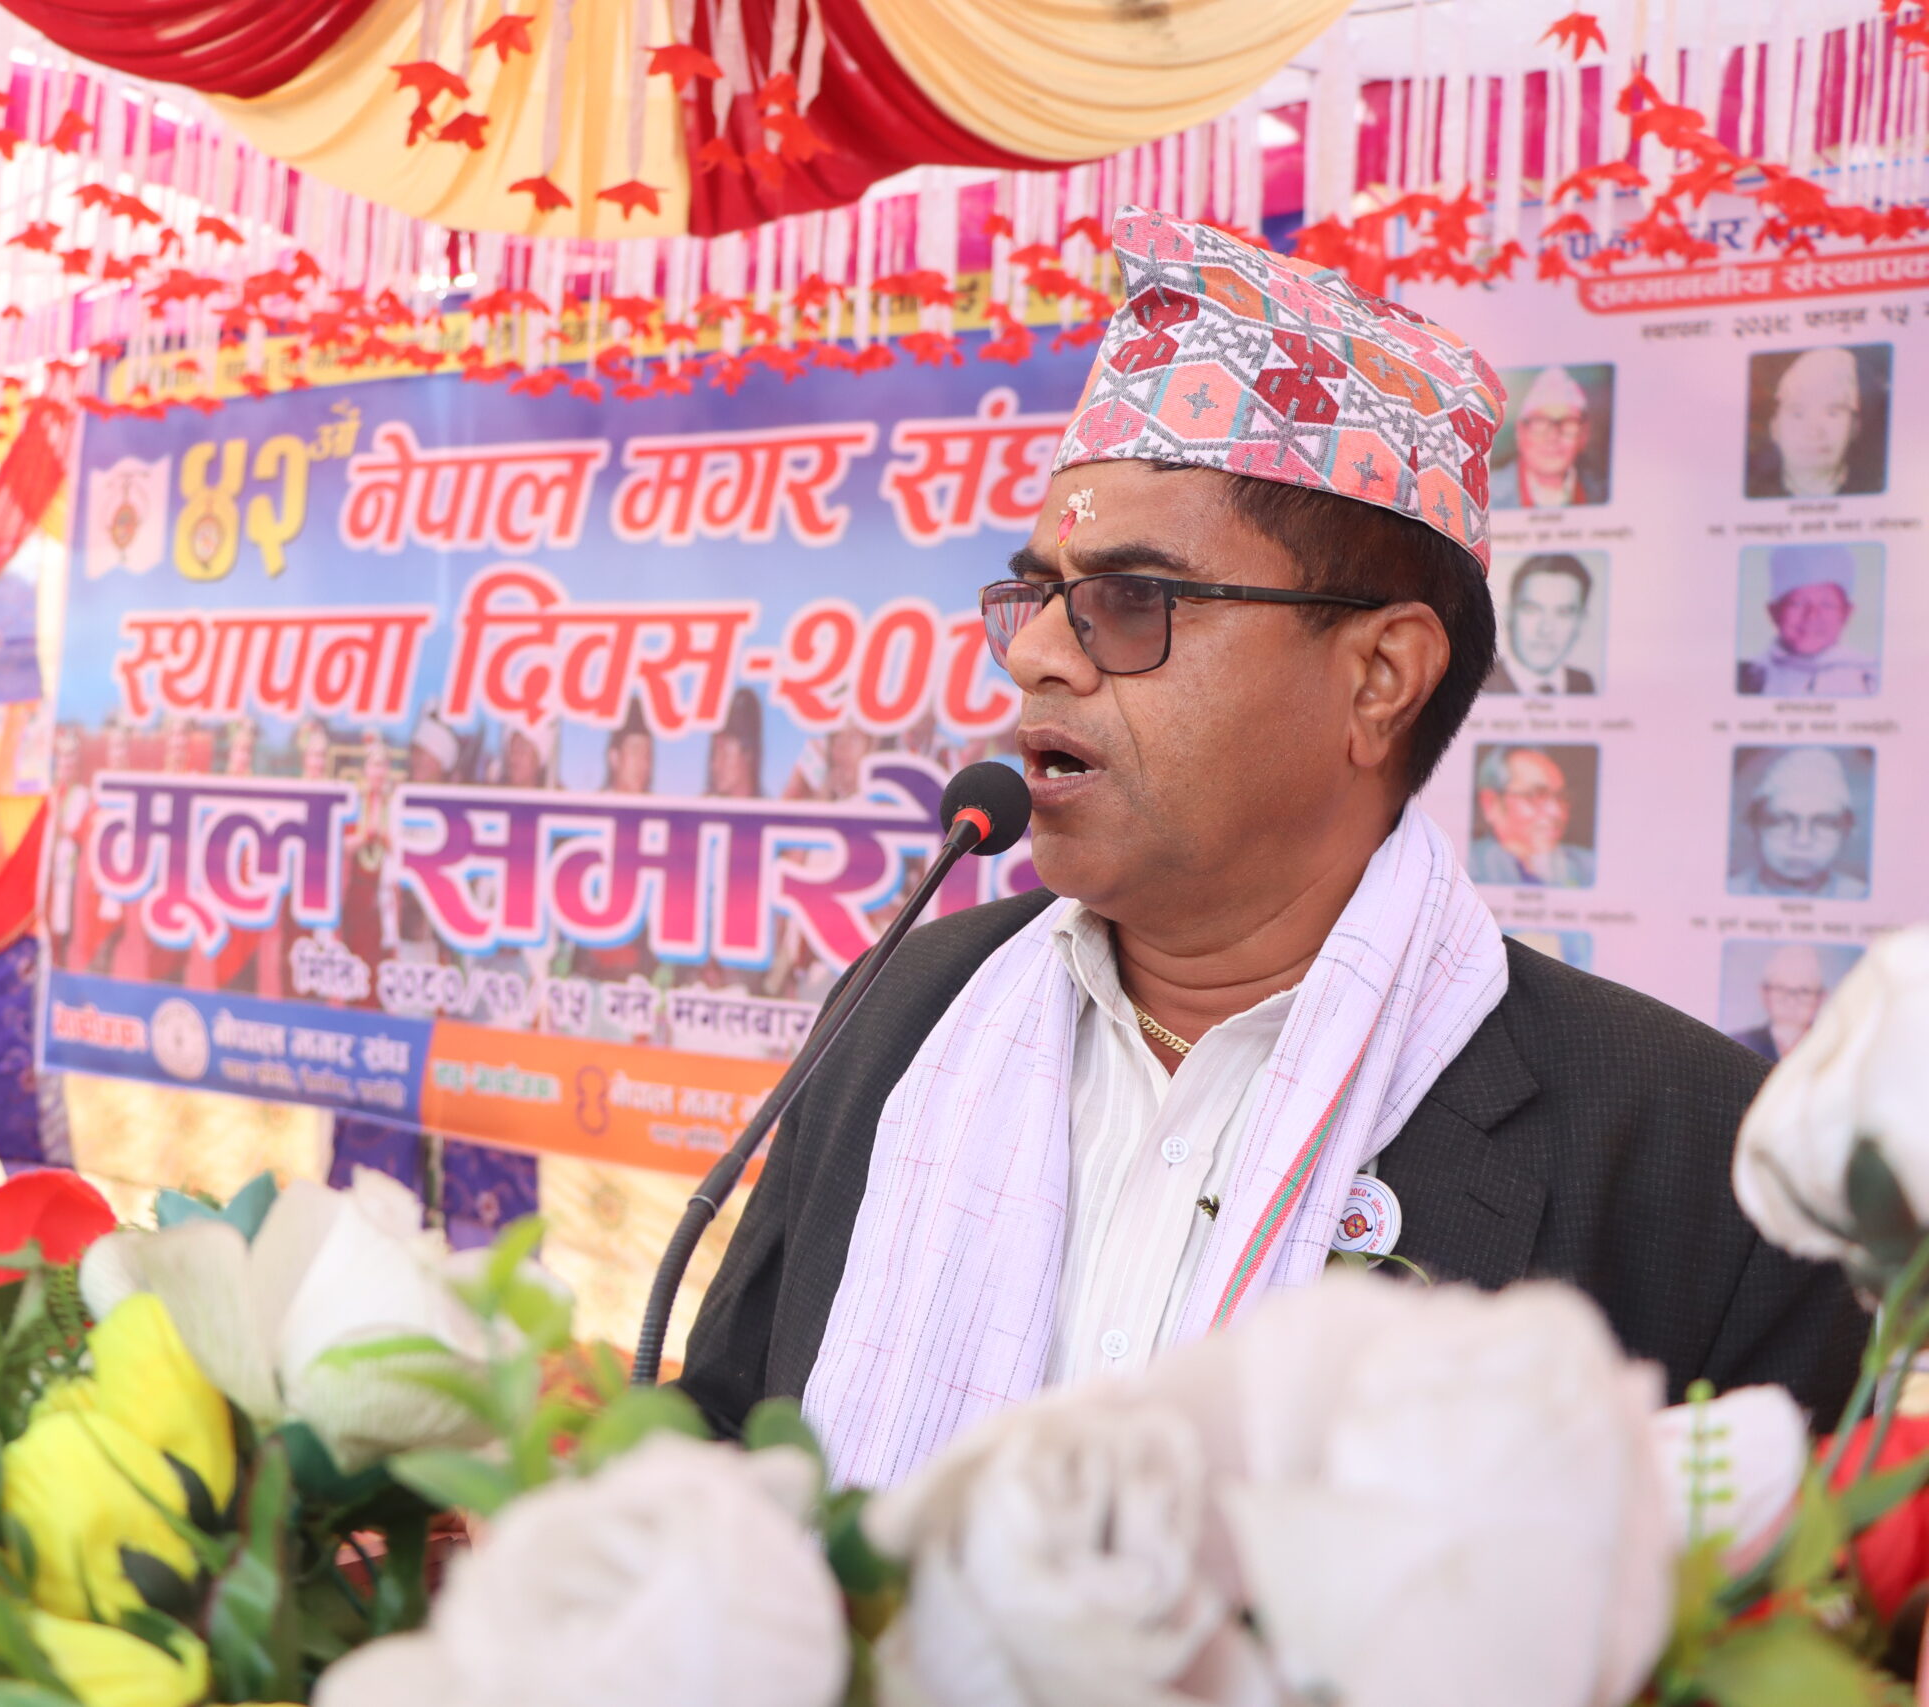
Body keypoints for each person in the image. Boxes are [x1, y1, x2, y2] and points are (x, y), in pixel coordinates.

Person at [679, 208, 1863, 1489]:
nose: (1038, 655)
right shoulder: (910, 1004)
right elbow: (732, 1434)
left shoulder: (1693, 1159)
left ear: (1379, 678)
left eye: (1129, 601)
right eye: (1038, 595)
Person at [1739, 545, 1879, 697]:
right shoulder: (1748, 677)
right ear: (1773, 611)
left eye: (1827, 605)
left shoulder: (1871, 677)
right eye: (1798, 604)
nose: (1812, 615)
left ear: (1847, 613)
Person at [1730, 746, 1869, 898]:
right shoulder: (1728, 892)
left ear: (1848, 833)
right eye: (1781, 822)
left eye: (1824, 824)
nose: (1802, 841)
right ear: (1753, 828)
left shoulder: (1861, 896)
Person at [1748, 346, 1885, 498]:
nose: (1814, 432)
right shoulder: (1751, 490)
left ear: (1855, 427)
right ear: (1774, 428)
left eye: (1832, 413)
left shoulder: (1876, 488)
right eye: (1798, 414)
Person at [1467, 745, 1595, 887]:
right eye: (1537, 795)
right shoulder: (1465, 867)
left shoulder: (1588, 867)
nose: (1556, 811)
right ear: (1491, 803)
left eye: (1561, 797)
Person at [1482, 553, 1597, 694]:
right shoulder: (1481, 684)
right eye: (1532, 610)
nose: (1546, 629)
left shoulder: (1585, 684)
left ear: (1582, 622)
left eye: (1563, 613)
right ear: (1508, 614)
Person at [1492, 365, 1598, 508]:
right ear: (1520, 432)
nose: (1553, 436)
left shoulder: (1602, 492)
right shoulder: (1487, 494)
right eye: (1540, 422)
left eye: (1568, 422)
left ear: (1584, 434)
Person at [1730, 942, 1831, 1063]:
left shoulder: (1837, 1049)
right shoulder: (1736, 1046)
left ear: (1822, 998)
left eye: (1804, 991)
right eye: (1781, 988)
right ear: (1764, 993)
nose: (1791, 1001)